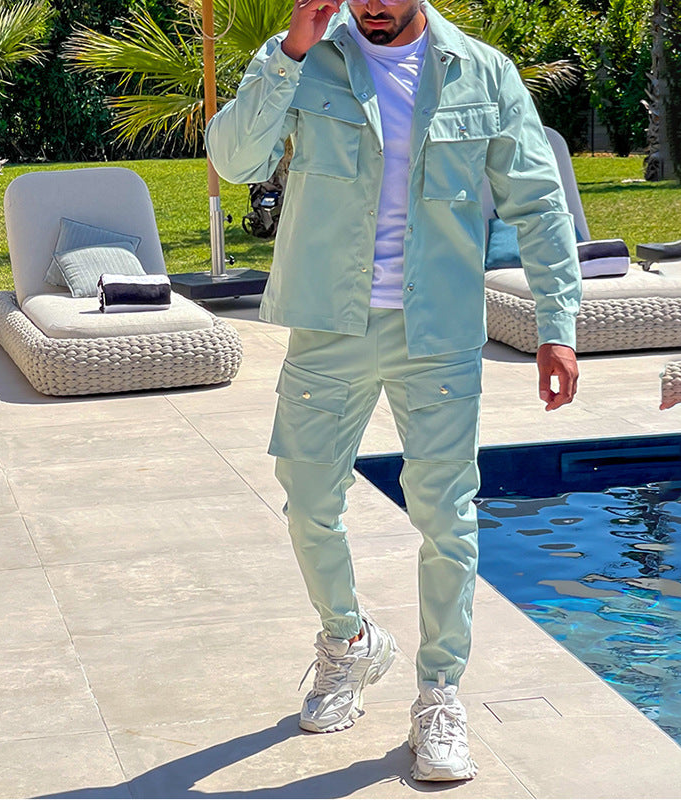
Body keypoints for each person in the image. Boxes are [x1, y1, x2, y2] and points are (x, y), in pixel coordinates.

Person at [205, 0, 581, 782]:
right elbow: (235, 160)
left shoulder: (483, 73)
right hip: (329, 322)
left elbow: (539, 202)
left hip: (438, 330)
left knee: (447, 517)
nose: (372, 4)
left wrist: (558, 323)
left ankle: (439, 695)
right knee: (309, 501)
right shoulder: (306, 58)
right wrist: (288, 53)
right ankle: (348, 641)